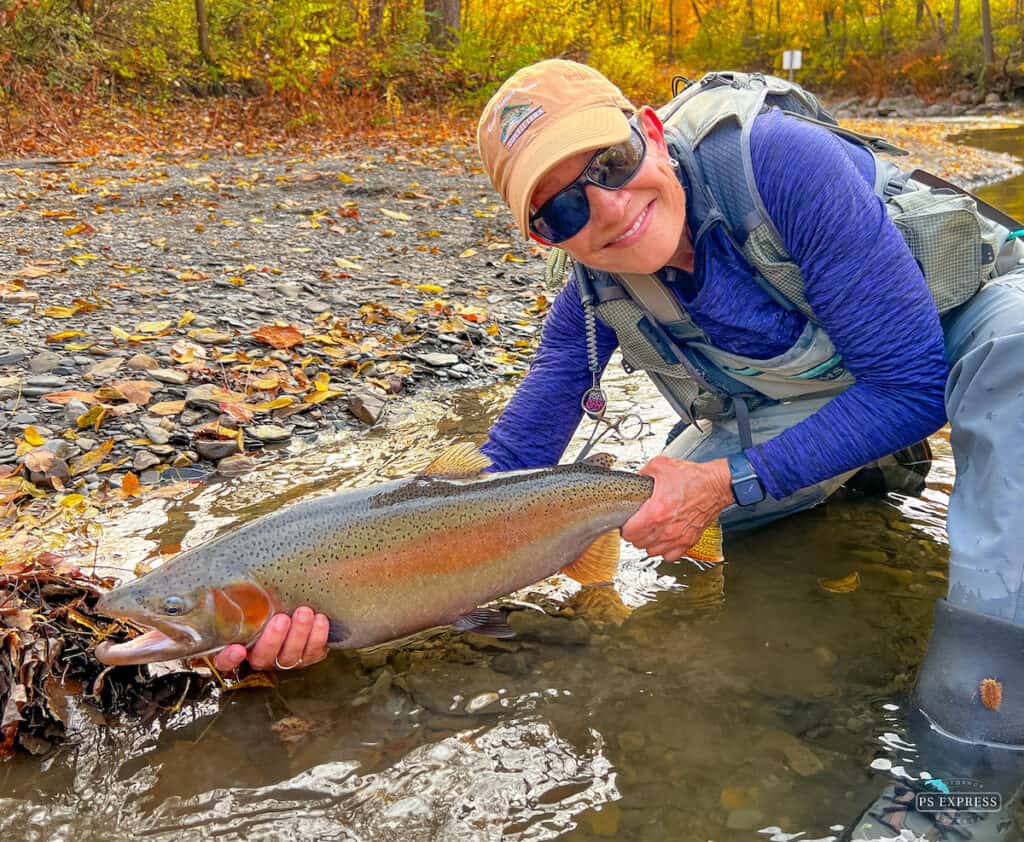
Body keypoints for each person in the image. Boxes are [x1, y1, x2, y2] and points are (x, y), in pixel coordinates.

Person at [220, 57, 1024, 833]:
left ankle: (967, 771)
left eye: (608, 160)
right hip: (844, 384)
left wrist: (730, 478)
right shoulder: (591, 295)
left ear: (650, 130)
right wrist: (313, 586)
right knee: (697, 524)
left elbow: (913, 385)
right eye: (560, 210)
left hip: (958, 334)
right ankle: (869, 464)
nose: (603, 207)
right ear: (543, 240)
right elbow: (500, 473)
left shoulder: (781, 162)